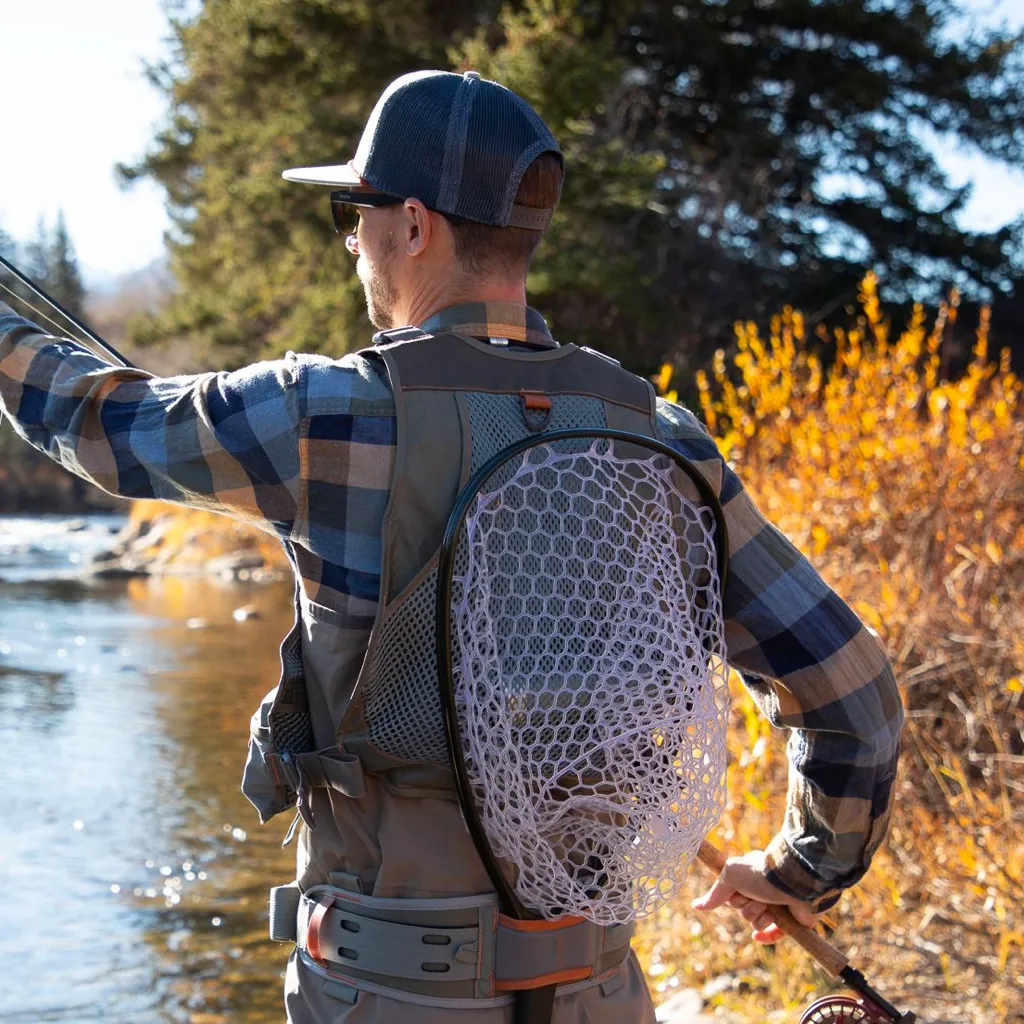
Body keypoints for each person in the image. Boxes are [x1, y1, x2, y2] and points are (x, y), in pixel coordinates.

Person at [0, 69, 903, 1024]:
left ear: (415, 225)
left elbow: (96, 421)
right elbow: (855, 699)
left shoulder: (328, 415)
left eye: (356, 211)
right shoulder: (665, 438)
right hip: (599, 995)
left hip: (384, 995)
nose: (353, 239)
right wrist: (803, 870)